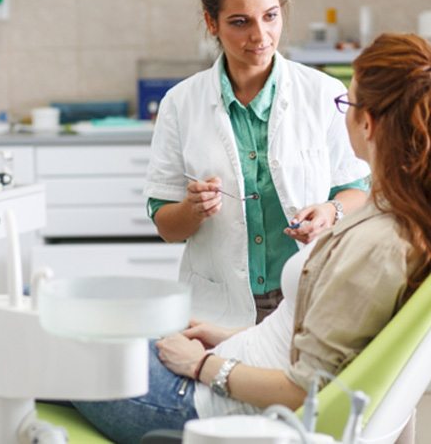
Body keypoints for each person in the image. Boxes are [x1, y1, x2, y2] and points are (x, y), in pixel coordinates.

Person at [73, 32, 431, 444]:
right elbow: (317, 347)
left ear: (366, 122)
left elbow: (303, 391)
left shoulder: (376, 245)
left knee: (24, 331)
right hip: (229, 363)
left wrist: (200, 366)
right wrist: (225, 339)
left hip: (206, 403)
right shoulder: (393, 221)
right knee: (51, 328)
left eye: (347, 103)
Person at [144, 0, 369, 326]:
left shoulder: (324, 93)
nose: (260, 36)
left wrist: (330, 212)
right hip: (218, 306)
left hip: (308, 297)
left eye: (270, 16)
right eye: (240, 22)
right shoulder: (180, 104)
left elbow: (356, 189)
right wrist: (192, 209)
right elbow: (167, 227)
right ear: (211, 22)